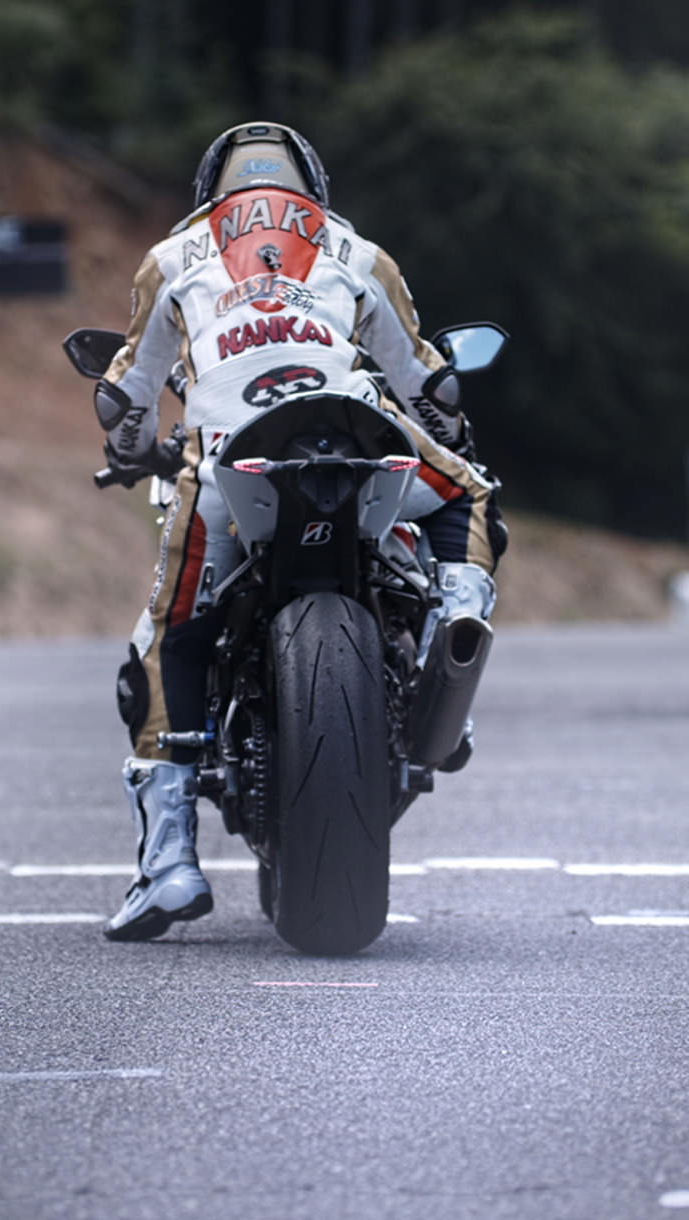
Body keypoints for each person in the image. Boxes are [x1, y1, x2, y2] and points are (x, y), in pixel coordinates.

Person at [93, 122, 507, 941]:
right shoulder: (359, 252)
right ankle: (447, 645)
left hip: (226, 454)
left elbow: (125, 396)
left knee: (168, 637)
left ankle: (167, 865)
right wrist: (451, 432)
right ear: (312, 186)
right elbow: (427, 382)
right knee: (469, 495)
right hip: (354, 429)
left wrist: (132, 450)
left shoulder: (170, 258)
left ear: (209, 189)